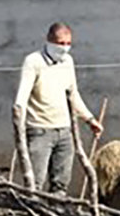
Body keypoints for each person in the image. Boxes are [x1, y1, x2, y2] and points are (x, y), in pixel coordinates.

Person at [13, 22, 104, 194]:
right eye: (60, 43)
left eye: (68, 44)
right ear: (49, 40)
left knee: (61, 183)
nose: (64, 48)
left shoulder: (67, 62)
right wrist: (20, 125)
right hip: (39, 130)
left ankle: (57, 215)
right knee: (35, 184)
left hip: (64, 130)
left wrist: (90, 119)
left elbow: (73, 94)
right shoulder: (33, 61)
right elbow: (22, 96)